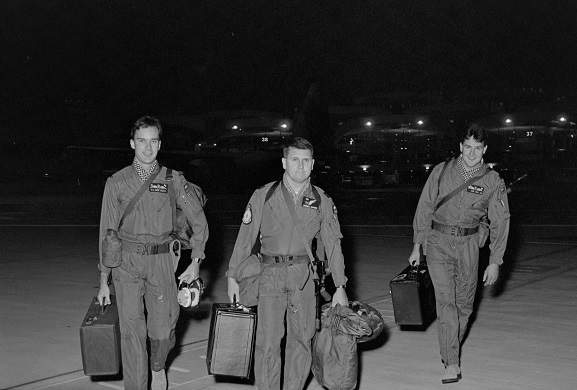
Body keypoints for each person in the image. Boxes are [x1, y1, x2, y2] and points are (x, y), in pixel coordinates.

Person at [227, 137, 349, 390]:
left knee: (302, 341)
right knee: (268, 343)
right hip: (269, 276)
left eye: (306, 160)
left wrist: (340, 286)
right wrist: (232, 276)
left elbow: (334, 244)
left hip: (304, 278)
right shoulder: (264, 195)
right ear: (284, 162)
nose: (300, 166)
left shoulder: (322, 200)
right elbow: (245, 239)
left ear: (313, 163)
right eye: (295, 160)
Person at [96, 116, 209, 390]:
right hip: (126, 263)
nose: (148, 148)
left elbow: (199, 220)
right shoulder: (117, 182)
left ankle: (158, 366)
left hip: (161, 262)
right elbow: (107, 232)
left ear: (159, 145)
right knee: (131, 333)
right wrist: (104, 279)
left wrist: (195, 262)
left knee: (163, 331)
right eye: (142, 141)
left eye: (153, 141)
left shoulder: (173, 180)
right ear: (133, 143)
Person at [408, 123, 510, 384]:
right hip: (438, 243)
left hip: (468, 245)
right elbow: (425, 206)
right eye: (468, 147)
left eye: (477, 148)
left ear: (485, 149)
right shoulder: (442, 172)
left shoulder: (492, 180)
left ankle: (449, 344)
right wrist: (417, 245)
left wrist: (495, 261)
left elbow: (500, 220)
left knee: (465, 307)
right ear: (460, 147)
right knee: (446, 304)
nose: (472, 153)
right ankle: (451, 362)